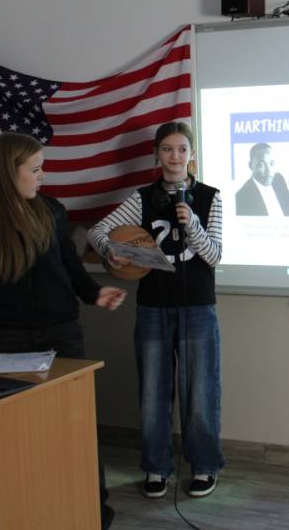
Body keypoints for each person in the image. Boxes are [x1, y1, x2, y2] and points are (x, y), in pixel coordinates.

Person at [0, 132, 127, 530]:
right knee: (22, 431)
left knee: (77, 423)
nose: (42, 176)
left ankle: (92, 509)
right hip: (7, 340)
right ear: (8, 173)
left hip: (62, 333)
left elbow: (71, 265)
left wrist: (95, 293)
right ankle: (34, 509)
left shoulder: (51, 210)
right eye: (34, 169)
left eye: (41, 168)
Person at [88, 121, 226, 500]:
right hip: (153, 307)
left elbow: (214, 256)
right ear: (156, 154)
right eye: (167, 149)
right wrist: (113, 251)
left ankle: (204, 465)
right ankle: (156, 467)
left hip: (198, 307)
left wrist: (192, 222)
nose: (175, 156)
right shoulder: (141, 198)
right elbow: (97, 232)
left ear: (192, 155)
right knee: (153, 390)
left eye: (182, 149)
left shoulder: (211, 198)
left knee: (200, 391)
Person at [235, 142, 289, 216]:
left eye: (271, 163)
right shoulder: (241, 197)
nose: (269, 171)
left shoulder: (278, 179)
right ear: (250, 166)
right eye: (261, 165)